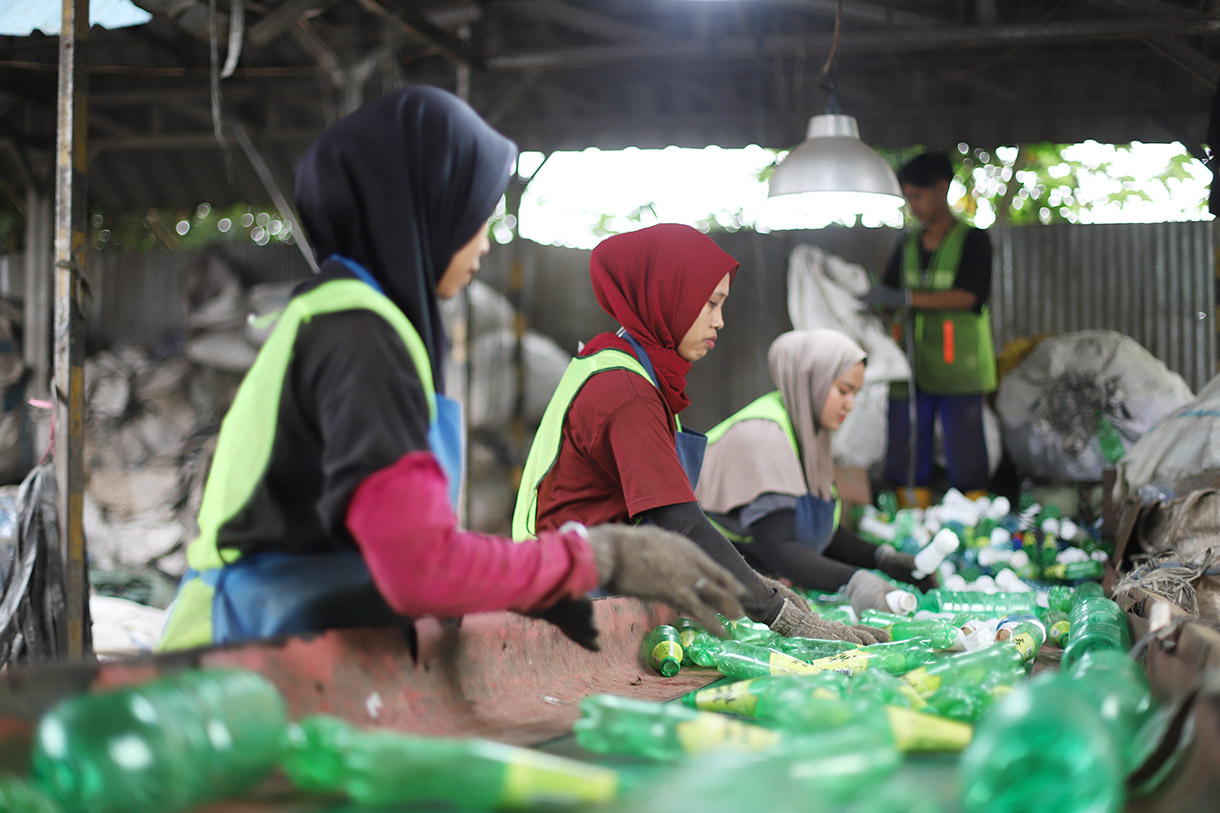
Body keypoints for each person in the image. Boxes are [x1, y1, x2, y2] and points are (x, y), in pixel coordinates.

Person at [157, 87, 747, 653]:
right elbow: (419, 564)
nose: (486, 245)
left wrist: (530, 584)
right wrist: (597, 558)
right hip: (245, 657)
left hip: (299, 645)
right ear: (424, 207)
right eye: (477, 217)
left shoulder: (340, 317)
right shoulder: (359, 337)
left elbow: (376, 542)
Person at [514, 225, 888, 646]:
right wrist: (782, 615)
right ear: (667, 294)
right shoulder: (628, 390)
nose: (720, 321)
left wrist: (766, 588)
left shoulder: (632, 372)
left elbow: (668, 521)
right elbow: (681, 524)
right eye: (710, 304)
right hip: (571, 599)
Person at [696, 330, 937, 617]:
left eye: (855, 394)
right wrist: (853, 581)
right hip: (702, 580)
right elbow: (780, 547)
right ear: (814, 380)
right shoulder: (763, 438)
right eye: (843, 391)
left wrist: (882, 559)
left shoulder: (809, 434)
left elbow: (815, 530)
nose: (850, 404)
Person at [860, 151, 996, 506]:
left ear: (942, 188)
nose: (913, 205)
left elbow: (969, 296)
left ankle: (975, 515)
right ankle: (907, 511)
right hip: (908, 365)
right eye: (908, 197)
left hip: (958, 367)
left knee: (965, 446)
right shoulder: (906, 244)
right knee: (905, 442)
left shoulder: (973, 240)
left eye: (918, 196)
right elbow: (887, 296)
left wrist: (906, 297)